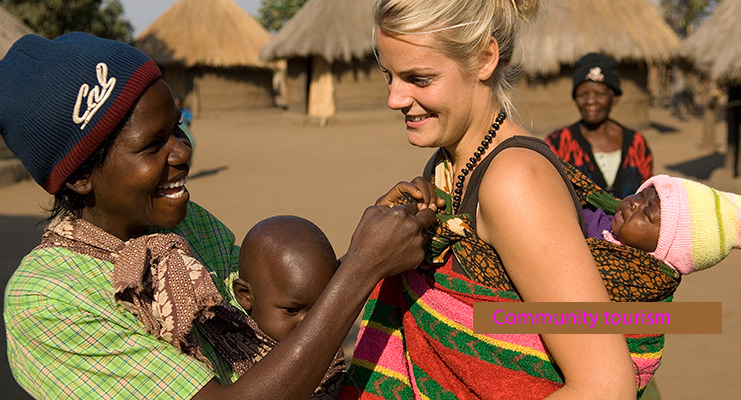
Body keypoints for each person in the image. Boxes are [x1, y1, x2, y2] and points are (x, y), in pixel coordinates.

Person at [0, 32, 435, 400]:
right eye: (152, 146)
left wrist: (371, 247)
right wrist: (362, 268)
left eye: (177, 128)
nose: (184, 152)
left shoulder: (184, 225)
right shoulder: (47, 302)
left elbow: (277, 312)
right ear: (79, 177)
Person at [343, 1, 641, 399]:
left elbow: (605, 385)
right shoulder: (447, 165)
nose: (395, 98)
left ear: (484, 59)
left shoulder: (514, 181)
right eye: (389, 76)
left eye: (419, 78)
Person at [232, 215, 346, 399]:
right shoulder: (232, 360)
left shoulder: (328, 356)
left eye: (320, 308)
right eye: (291, 310)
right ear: (245, 294)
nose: (310, 322)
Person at [545, 53, 654, 199]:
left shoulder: (636, 144)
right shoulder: (558, 144)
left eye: (599, 94)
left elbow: (647, 196)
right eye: (583, 94)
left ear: (614, 99)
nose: (590, 101)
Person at [590, 174, 741, 276]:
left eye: (647, 214)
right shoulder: (594, 217)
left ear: (660, 251)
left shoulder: (636, 283)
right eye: (641, 195)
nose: (634, 203)